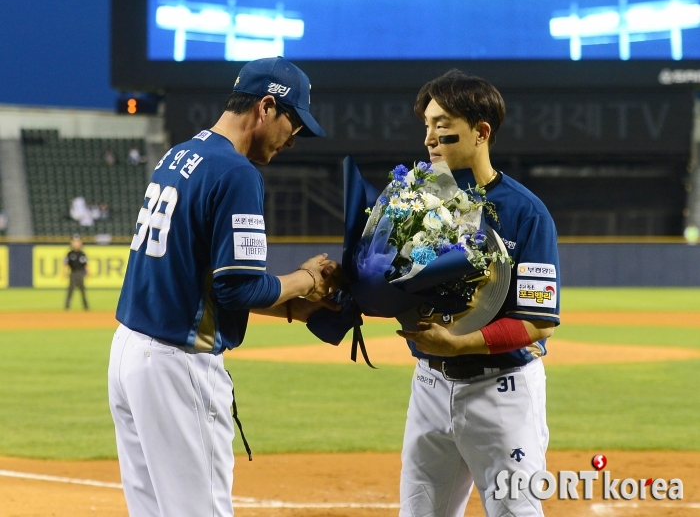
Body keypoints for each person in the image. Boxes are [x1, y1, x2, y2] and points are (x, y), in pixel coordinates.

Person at [108, 57, 339, 517]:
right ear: (267, 107)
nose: (295, 139)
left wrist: (294, 306)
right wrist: (307, 278)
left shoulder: (181, 153)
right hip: (178, 363)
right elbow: (238, 290)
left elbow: (208, 281)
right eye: (294, 122)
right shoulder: (236, 172)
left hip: (130, 353)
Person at [395, 70, 560, 517]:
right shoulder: (419, 201)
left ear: (481, 131)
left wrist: (459, 343)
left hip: (500, 392)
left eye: (442, 125)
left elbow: (538, 321)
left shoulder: (526, 213)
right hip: (430, 386)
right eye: (426, 125)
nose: (429, 137)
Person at [64, 234, 89, 310]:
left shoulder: (82, 254)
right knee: (70, 290)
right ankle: (67, 306)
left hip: (80, 273)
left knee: (82, 290)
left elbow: (86, 264)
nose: (76, 243)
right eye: (74, 242)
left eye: (77, 242)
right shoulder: (70, 253)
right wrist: (64, 272)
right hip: (73, 273)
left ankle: (86, 306)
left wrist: (88, 272)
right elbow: (66, 264)